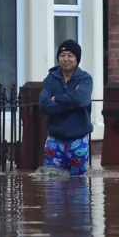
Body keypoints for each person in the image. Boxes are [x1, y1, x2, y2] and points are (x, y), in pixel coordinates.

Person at [39, 39, 93, 176]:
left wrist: (57, 98)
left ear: (77, 58)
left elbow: (82, 99)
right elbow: (44, 105)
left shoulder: (85, 79)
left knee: (78, 184)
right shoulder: (51, 78)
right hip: (54, 140)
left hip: (78, 140)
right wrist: (71, 104)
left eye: (70, 55)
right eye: (62, 55)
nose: (66, 59)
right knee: (52, 184)